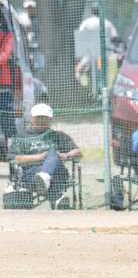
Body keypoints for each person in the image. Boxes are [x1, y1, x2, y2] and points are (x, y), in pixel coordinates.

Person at [6, 103, 83, 209]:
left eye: (45, 118)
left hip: (58, 173)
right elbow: (15, 158)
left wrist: (64, 156)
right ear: (32, 118)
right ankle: (56, 198)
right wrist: (41, 157)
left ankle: (46, 178)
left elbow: (78, 152)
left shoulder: (57, 136)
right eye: (38, 117)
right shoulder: (22, 137)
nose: (41, 120)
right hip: (32, 175)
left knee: (53, 155)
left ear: (50, 119)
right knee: (51, 154)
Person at [0, 11, 16, 140]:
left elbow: (4, 56)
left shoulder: (8, 35)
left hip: (3, 87)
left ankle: (12, 151)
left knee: (6, 119)